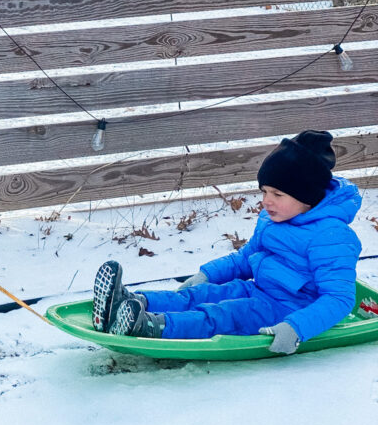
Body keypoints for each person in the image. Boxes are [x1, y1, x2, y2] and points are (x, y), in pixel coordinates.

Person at [92, 131, 361, 354]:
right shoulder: (272, 219)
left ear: (308, 197)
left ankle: (153, 326)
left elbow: (339, 298)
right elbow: (246, 258)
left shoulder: (331, 237)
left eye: (277, 194)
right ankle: (131, 303)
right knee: (202, 295)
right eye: (264, 191)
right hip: (258, 291)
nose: (266, 201)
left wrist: (296, 328)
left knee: (221, 316)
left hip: (289, 310)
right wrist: (207, 273)